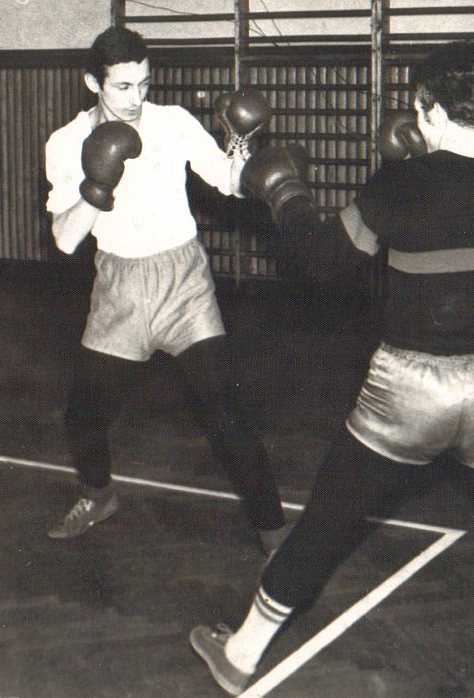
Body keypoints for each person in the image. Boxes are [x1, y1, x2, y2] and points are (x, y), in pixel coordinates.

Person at [190, 41, 474, 696]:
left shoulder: (401, 184)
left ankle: (241, 654)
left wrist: (284, 194)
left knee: (328, 523)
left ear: (433, 112)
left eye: (419, 113)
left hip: (411, 388)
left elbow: (326, 262)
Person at [43, 26, 289, 555]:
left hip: (184, 283)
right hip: (120, 288)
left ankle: (274, 532)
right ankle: (98, 495)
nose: (137, 99)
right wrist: (97, 183)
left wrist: (241, 143)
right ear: (93, 83)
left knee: (226, 408)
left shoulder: (173, 122)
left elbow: (227, 180)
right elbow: (65, 239)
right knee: (83, 415)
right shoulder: (65, 143)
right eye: (123, 87)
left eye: (145, 84)